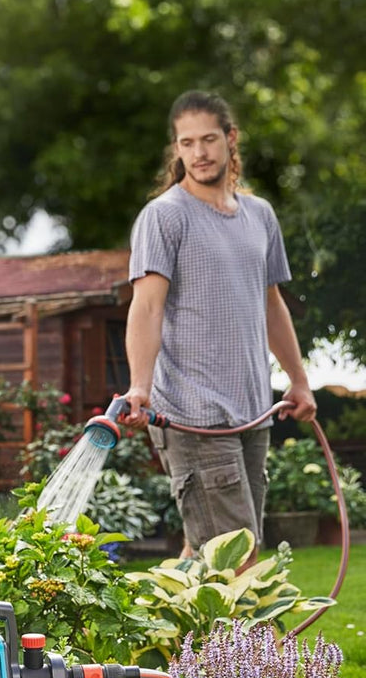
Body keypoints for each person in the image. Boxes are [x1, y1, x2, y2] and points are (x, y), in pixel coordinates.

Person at [121, 89, 316, 564]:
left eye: (208, 139)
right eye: (186, 143)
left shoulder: (259, 215)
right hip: (192, 414)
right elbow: (146, 308)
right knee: (238, 560)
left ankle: (167, 635)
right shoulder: (165, 217)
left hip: (252, 411)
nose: (199, 152)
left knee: (210, 549)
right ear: (177, 148)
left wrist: (299, 380)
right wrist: (139, 388)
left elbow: (271, 305)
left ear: (231, 139)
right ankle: (256, 642)